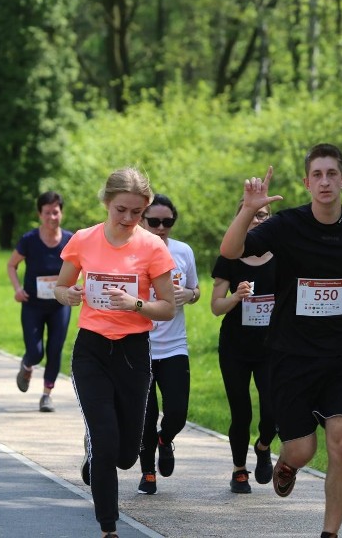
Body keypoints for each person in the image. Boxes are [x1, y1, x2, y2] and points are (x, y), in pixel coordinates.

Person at [219, 143, 342, 538]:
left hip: (340, 356)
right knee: (303, 450)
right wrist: (249, 209)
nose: (325, 181)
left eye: (332, 174)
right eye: (317, 175)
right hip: (290, 355)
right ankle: (286, 462)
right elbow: (230, 252)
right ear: (306, 182)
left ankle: (329, 533)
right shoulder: (285, 225)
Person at [54, 167, 176, 538]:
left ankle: (96, 448)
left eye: (136, 213)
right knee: (107, 445)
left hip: (133, 353)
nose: (127, 219)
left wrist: (136, 304)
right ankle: (109, 527)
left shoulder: (152, 247)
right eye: (120, 209)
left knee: (126, 454)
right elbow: (61, 287)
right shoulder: (84, 240)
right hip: (91, 349)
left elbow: (168, 307)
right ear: (107, 202)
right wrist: (70, 295)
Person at [135, 194, 200, 495]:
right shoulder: (133, 252)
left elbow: (195, 289)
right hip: (141, 345)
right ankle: (148, 472)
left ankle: (165, 439)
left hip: (174, 346)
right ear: (142, 220)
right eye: (155, 221)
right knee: (145, 416)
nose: (161, 228)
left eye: (168, 222)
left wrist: (191, 294)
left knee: (177, 412)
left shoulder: (183, 251)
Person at [211, 201, 276, 494]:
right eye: (251, 215)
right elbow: (215, 306)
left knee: (274, 407)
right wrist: (236, 297)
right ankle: (239, 470)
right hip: (235, 348)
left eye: (263, 215)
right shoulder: (229, 256)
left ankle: (263, 446)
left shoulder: (284, 256)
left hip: (272, 348)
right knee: (241, 412)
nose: (257, 220)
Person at [6, 191, 74, 413]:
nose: (52, 217)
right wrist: (17, 289)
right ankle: (27, 366)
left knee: (55, 349)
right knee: (36, 352)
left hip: (59, 305)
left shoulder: (70, 240)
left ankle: (47, 395)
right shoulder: (29, 240)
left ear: (61, 213)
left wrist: (75, 285)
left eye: (56, 212)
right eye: (47, 213)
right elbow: (11, 265)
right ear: (39, 214)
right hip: (33, 304)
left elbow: (81, 267)